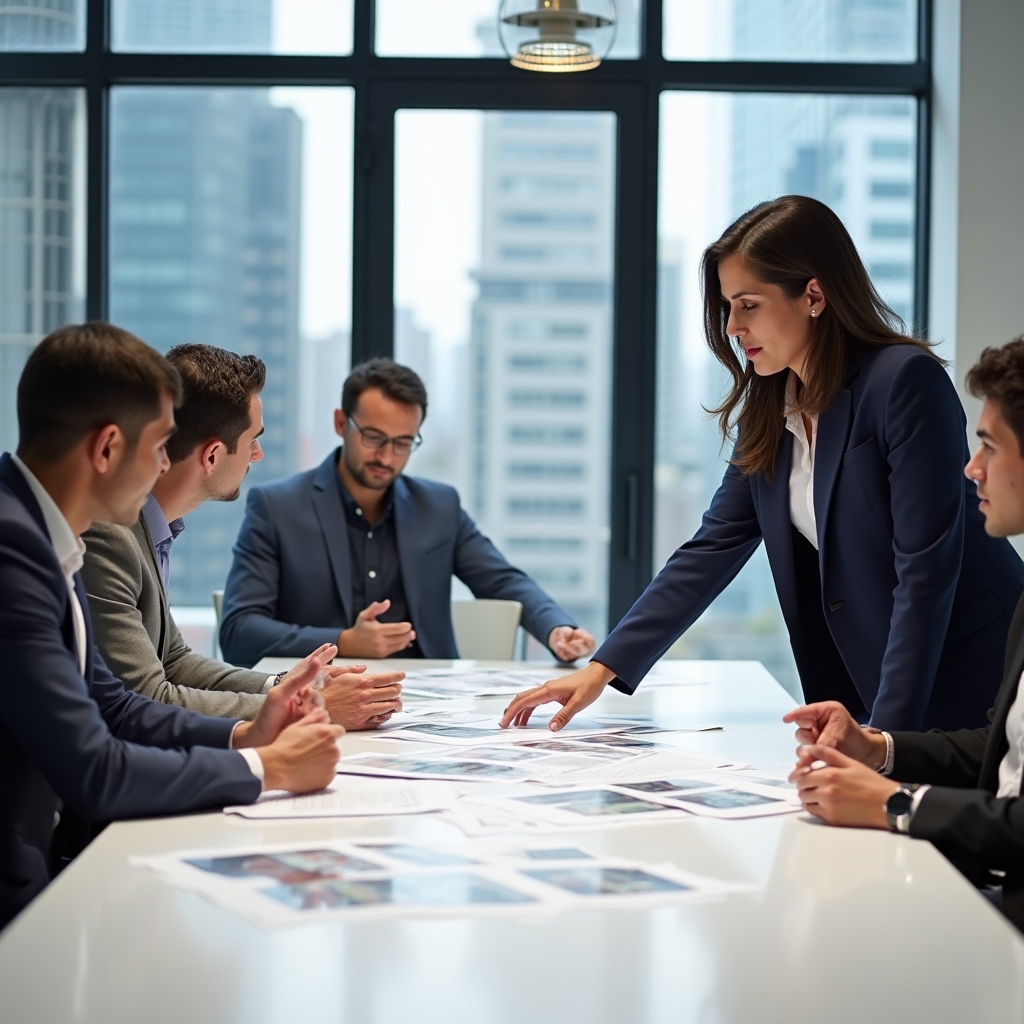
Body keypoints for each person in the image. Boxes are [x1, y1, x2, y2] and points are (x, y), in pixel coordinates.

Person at [500, 196, 1024, 736]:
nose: (731, 326)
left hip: (967, 671)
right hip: (872, 683)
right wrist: (600, 670)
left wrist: (883, 741)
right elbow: (712, 548)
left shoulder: (902, 383)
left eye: (748, 305)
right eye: (727, 306)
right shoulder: (772, 408)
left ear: (813, 295)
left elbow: (926, 572)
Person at [0, 323, 343, 930]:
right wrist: (272, 769)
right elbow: (94, 769)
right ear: (107, 449)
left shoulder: (52, 535)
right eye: (160, 443)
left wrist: (249, 735)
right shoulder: (15, 551)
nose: (166, 462)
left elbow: (114, 705)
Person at [785, 337, 1024, 932]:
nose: (971, 468)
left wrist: (893, 803)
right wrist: (878, 748)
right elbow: (1002, 754)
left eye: (989, 446)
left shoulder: (897, 380)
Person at [80, 343, 403, 728]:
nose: (258, 454)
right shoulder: (109, 536)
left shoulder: (149, 527)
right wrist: (310, 708)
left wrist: (291, 686)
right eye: (253, 440)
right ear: (213, 455)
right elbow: (146, 698)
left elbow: (173, 661)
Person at [220, 358, 596, 666]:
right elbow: (239, 631)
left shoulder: (439, 506)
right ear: (340, 423)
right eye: (374, 438)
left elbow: (503, 580)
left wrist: (555, 628)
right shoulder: (277, 507)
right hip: (324, 699)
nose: (387, 457)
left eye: (403, 443)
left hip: (431, 706)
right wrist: (345, 641)